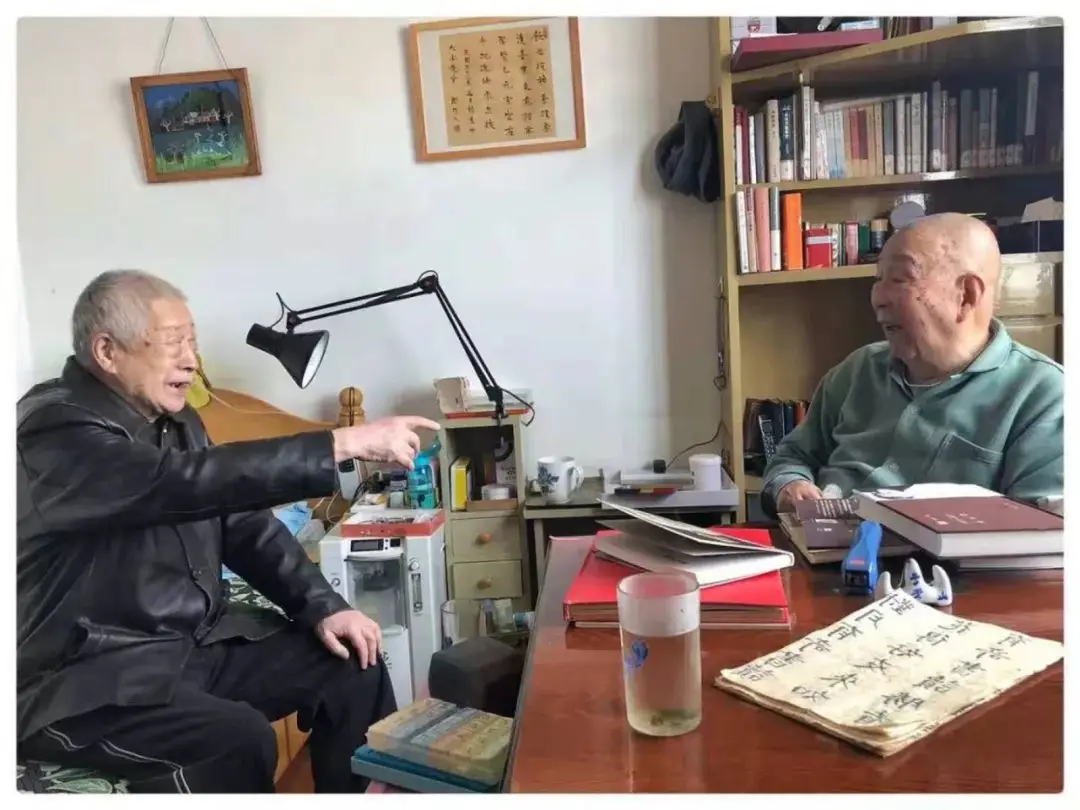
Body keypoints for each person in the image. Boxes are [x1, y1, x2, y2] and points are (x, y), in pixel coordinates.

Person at [16, 269, 441, 793]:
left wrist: (326, 606)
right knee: (237, 739)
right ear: (107, 351)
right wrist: (339, 443)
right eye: (173, 342)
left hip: (186, 647)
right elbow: (177, 482)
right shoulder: (54, 428)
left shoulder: (176, 421)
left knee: (356, 664)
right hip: (91, 674)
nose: (191, 361)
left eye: (191, 342)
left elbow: (241, 522)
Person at [763, 213, 1064, 515]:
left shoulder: (1044, 395)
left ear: (966, 295)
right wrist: (789, 484)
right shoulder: (857, 369)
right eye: (878, 280)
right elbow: (793, 456)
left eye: (899, 279)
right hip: (815, 540)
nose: (878, 298)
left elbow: (1042, 531)